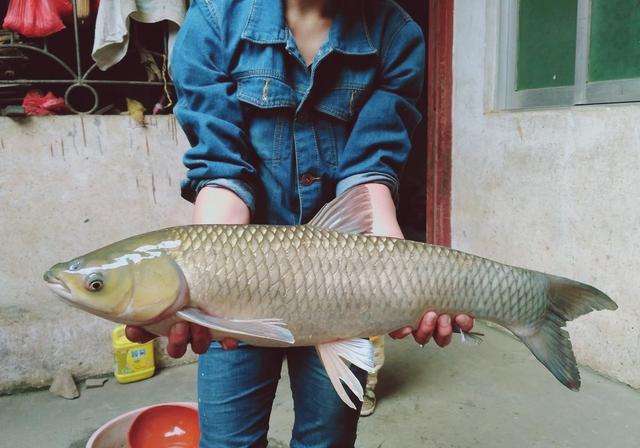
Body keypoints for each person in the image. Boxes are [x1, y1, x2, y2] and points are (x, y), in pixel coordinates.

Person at [126, 0, 475, 446]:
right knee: (227, 440)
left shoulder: (397, 34)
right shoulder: (213, 22)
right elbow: (222, 169)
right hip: (240, 293)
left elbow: (371, 168)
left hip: (346, 286)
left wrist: (404, 272)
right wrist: (202, 282)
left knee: (327, 438)